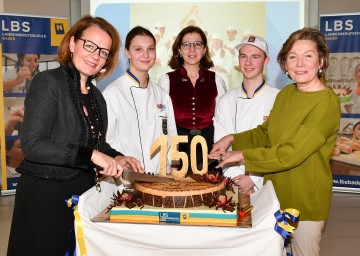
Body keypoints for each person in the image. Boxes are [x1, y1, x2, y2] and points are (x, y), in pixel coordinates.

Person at [7, 15, 143, 255]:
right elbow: (33, 145)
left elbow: (96, 143)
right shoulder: (48, 82)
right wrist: (91, 155)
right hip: (45, 198)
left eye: (103, 52)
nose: (95, 55)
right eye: (89, 45)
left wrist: (118, 157)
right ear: (72, 44)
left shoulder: (96, 96)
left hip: (82, 195)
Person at [209, 27, 340, 256]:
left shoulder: (325, 103)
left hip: (305, 202)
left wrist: (243, 155)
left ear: (321, 61)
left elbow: (292, 153)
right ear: (285, 64)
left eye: (307, 56)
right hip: (275, 196)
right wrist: (232, 139)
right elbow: (266, 133)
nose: (299, 63)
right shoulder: (287, 94)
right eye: (292, 56)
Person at [103, 26, 177, 174]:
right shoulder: (113, 94)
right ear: (127, 52)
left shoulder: (161, 94)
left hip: (161, 178)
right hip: (125, 180)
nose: (146, 55)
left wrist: (174, 170)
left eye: (150, 49)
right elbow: (107, 141)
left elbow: (172, 136)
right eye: (138, 49)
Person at [213, 35, 279, 194]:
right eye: (243, 57)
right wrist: (236, 180)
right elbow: (221, 147)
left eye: (255, 57)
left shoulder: (279, 98)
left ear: (266, 61)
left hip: (268, 184)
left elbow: (279, 147)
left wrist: (253, 179)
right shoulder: (226, 100)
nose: (248, 63)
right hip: (233, 183)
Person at [158, 26, 226, 172]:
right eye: (186, 45)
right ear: (179, 50)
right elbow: (162, 122)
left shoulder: (216, 80)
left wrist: (220, 150)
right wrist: (171, 159)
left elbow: (222, 121)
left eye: (197, 44)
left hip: (209, 149)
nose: (192, 49)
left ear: (204, 49)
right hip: (178, 148)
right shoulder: (166, 81)